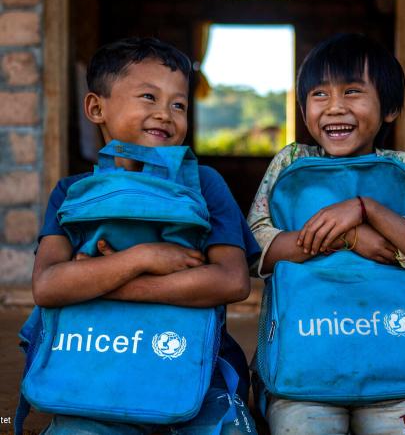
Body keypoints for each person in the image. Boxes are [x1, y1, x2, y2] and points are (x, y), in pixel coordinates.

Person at [33, 37, 260, 435]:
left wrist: (104, 279)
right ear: (95, 107)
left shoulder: (204, 184)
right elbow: (49, 286)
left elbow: (231, 280)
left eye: (178, 105)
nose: (165, 114)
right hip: (96, 364)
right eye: (148, 97)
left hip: (192, 366)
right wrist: (143, 258)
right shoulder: (72, 193)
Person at [248, 33, 405, 435]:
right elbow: (257, 251)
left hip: (400, 372)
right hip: (303, 374)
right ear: (303, 110)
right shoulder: (290, 164)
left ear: (389, 108)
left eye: (353, 92)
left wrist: (366, 207)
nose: (335, 107)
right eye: (320, 94)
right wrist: (349, 238)